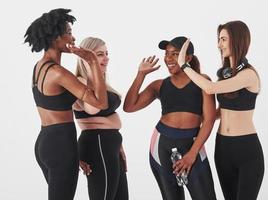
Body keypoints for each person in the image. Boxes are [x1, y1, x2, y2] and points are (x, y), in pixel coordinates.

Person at [24, 9, 108, 200]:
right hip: (61, 146)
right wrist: (93, 61)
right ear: (55, 38)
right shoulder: (59, 73)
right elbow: (101, 102)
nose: (73, 37)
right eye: (69, 32)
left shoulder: (39, 67)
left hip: (45, 143)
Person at [178, 21, 264, 200]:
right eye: (219, 40)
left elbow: (209, 88)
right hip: (223, 148)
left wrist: (184, 65)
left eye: (223, 39)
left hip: (246, 149)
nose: (219, 45)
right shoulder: (225, 74)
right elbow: (220, 112)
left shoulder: (248, 75)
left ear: (237, 40)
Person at [124, 36, 217, 200]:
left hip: (192, 144)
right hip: (161, 146)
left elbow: (209, 120)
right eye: (167, 54)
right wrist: (141, 75)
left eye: (175, 54)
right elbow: (129, 107)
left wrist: (192, 153)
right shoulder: (159, 85)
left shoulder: (204, 81)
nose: (169, 58)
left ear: (187, 58)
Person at [73, 37, 129, 200]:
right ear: (85, 58)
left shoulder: (102, 83)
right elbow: (93, 109)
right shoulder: (80, 81)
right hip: (97, 145)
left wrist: (117, 143)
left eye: (106, 53)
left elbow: (104, 118)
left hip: (110, 144)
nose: (106, 58)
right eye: (99, 54)